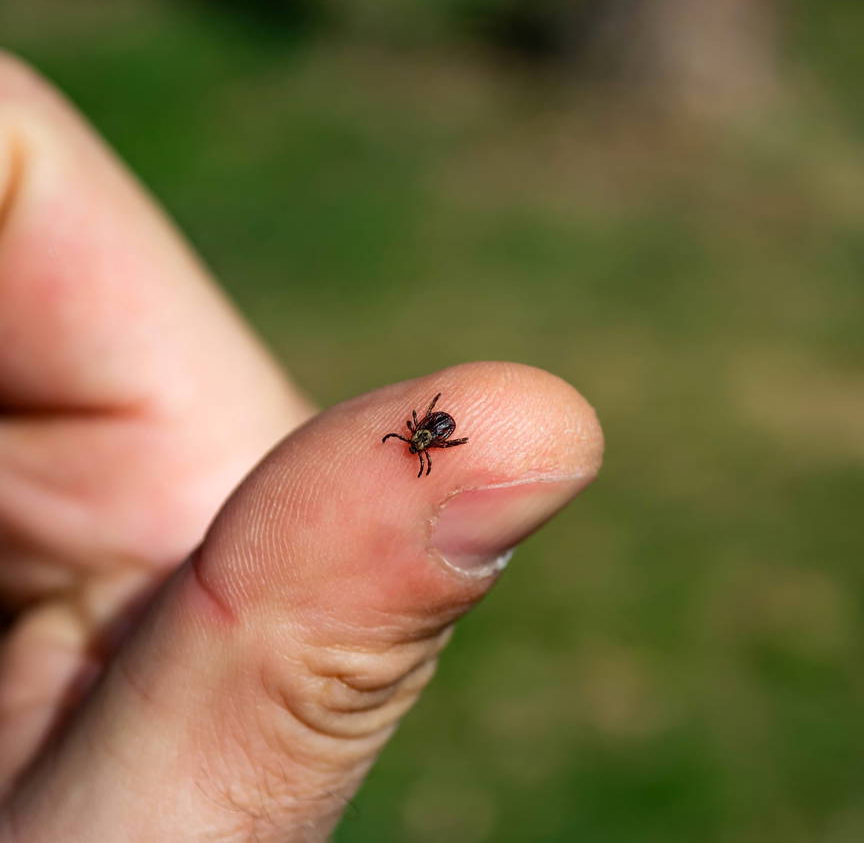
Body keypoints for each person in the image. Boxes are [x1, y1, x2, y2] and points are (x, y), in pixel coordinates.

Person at [0, 52, 603, 840]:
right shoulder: (421, 438)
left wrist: (427, 440)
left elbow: (432, 430)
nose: (420, 437)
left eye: (425, 436)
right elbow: (428, 431)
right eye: (421, 434)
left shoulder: (424, 436)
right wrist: (426, 442)